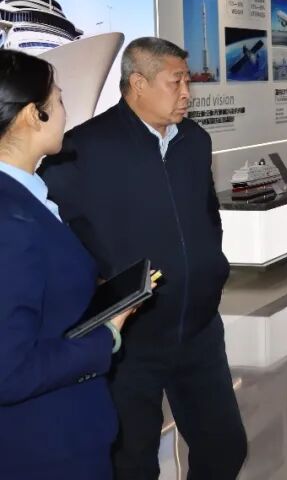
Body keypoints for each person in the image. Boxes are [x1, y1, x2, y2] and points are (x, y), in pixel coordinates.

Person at [41, 38, 247, 480]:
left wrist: (212, 268)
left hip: (198, 329)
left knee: (225, 447)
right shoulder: (83, 149)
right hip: (130, 338)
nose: (187, 92)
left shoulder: (195, 141)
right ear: (138, 83)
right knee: (132, 461)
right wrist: (101, 286)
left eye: (188, 81)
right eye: (176, 82)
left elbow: (207, 213)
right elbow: (58, 231)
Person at [0, 49, 135, 479]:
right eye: (58, 100)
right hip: (43, 447)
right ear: (32, 115)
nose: (65, 112)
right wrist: (106, 335)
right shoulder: (11, 221)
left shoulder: (25, 196)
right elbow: (8, 371)